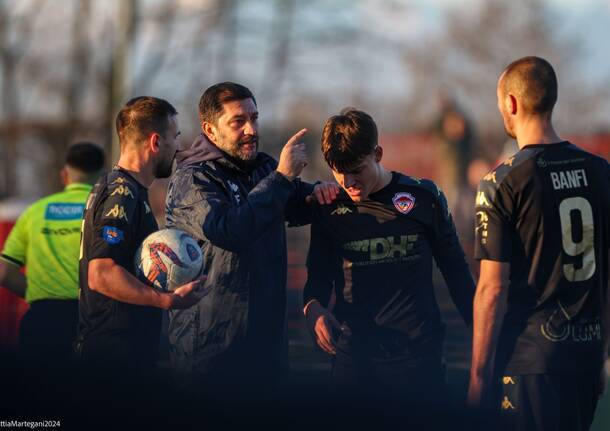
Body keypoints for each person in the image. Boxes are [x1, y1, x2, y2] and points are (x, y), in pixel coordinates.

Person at [165, 82, 338, 392]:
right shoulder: (193, 178)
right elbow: (232, 230)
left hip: (266, 348)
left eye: (254, 118)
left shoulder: (263, 169)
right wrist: (283, 177)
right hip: (210, 353)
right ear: (210, 129)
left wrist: (319, 193)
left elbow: (297, 203)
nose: (251, 129)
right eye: (238, 121)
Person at [302, 109, 475, 417]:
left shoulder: (424, 197)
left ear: (378, 153)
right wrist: (313, 307)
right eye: (339, 172)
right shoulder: (328, 205)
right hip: (353, 360)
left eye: (357, 169)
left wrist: (482, 335)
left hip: (417, 359)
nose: (349, 182)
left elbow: (457, 272)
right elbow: (317, 275)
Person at [468, 56, 610, 431]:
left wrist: (478, 378)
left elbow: (491, 291)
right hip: (585, 354)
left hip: (529, 362)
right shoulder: (601, 171)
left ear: (511, 103)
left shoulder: (501, 182)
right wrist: (601, 355)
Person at [76, 96, 206, 374]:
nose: (178, 147)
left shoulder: (122, 188)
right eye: (176, 138)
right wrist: (167, 300)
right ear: (156, 142)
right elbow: (101, 273)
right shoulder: (122, 195)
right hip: (113, 359)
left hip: (121, 354)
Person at [0, 142, 105, 365]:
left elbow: (4, 273)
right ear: (100, 177)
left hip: (40, 322)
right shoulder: (105, 210)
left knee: (37, 397)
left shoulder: (34, 212)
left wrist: (40, 292)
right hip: (91, 322)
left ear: (64, 175)